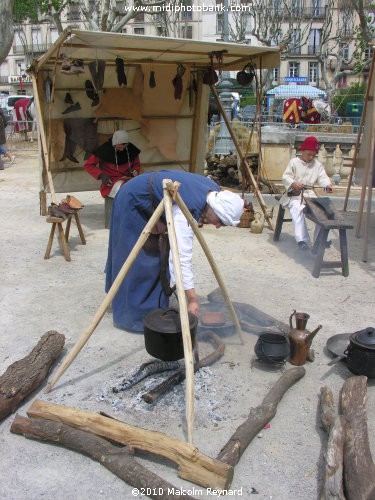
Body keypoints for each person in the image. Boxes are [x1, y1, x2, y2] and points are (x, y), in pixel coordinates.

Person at [105, 170, 244, 332]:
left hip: (155, 198)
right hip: (133, 199)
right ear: (216, 209)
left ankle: (153, 307)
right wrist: (192, 299)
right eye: (221, 221)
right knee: (136, 259)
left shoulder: (213, 192)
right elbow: (180, 259)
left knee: (157, 256)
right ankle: (132, 317)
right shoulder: (185, 211)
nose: (219, 226)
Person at [280, 136, 333, 251]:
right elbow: (286, 177)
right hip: (294, 194)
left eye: (313, 155)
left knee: (321, 212)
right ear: (302, 151)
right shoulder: (294, 162)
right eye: (309, 154)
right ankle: (302, 240)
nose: (311, 157)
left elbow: (323, 178)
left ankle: (319, 241)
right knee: (297, 208)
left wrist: (327, 185)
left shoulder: (317, 165)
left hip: (310, 194)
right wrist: (294, 183)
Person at [83, 130, 140, 198]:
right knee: (126, 191)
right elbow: (88, 165)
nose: (121, 150)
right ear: (114, 144)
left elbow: (136, 164)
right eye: (119, 147)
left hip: (128, 179)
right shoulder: (104, 149)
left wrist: (135, 170)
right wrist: (102, 175)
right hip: (111, 183)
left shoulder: (131, 149)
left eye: (124, 147)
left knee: (141, 189)